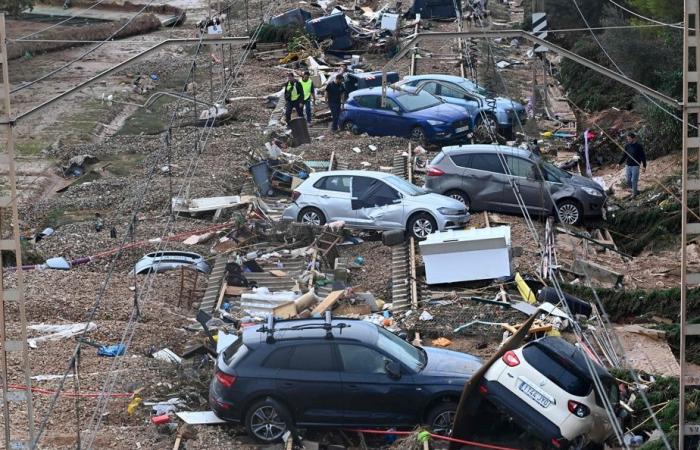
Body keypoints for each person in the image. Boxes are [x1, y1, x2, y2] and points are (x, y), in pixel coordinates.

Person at [618, 132, 647, 197]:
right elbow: (624, 156)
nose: (628, 140)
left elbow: (643, 156)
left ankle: (634, 194)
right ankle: (634, 190)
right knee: (628, 180)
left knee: (634, 180)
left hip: (635, 166)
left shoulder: (638, 146)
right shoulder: (627, 146)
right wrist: (619, 163)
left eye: (629, 139)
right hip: (628, 165)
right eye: (627, 139)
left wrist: (644, 166)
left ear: (633, 138)